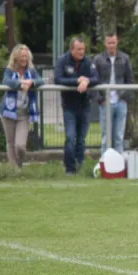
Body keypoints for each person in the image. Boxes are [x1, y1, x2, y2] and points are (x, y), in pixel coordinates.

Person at [54, 37, 100, 174]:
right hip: (69, 106)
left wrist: (87, 81)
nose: (81, 52)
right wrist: (77, 80)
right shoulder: (63, 60)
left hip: (85, 105)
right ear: (71, 49)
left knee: (81, 139)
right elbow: (58, 79)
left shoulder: (88, 61)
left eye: (83, 49)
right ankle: (69, 168)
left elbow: (97, 78)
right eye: (79, 49)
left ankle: (79, 166)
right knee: (70, 137)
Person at [0, 44, 44, 170]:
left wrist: (31, 82)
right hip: (8, 111)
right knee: (10, 143)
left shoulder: (31, 71)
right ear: (16, 57)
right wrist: (20, 84)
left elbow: (41, 80)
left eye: (26, 56)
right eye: (21, 56)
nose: (24, 59)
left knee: (20, 146)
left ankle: (19, 164)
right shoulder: (10, 70)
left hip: (24, 113)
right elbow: (6, 81)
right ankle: (15, 171)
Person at [93, 32, 134, 155]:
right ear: (105, 43)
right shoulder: (98, 59)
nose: (111, 45)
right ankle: (105, 162)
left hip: (120, 101)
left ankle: (118, 162)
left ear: (117, 42)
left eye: (113, 42)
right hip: (105, 102)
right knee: (106, 136)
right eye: (109, 43)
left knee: (118, 136)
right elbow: (94, 81)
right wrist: (100, 99)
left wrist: (125, 98)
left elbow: (130, 80)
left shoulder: (125, 58)